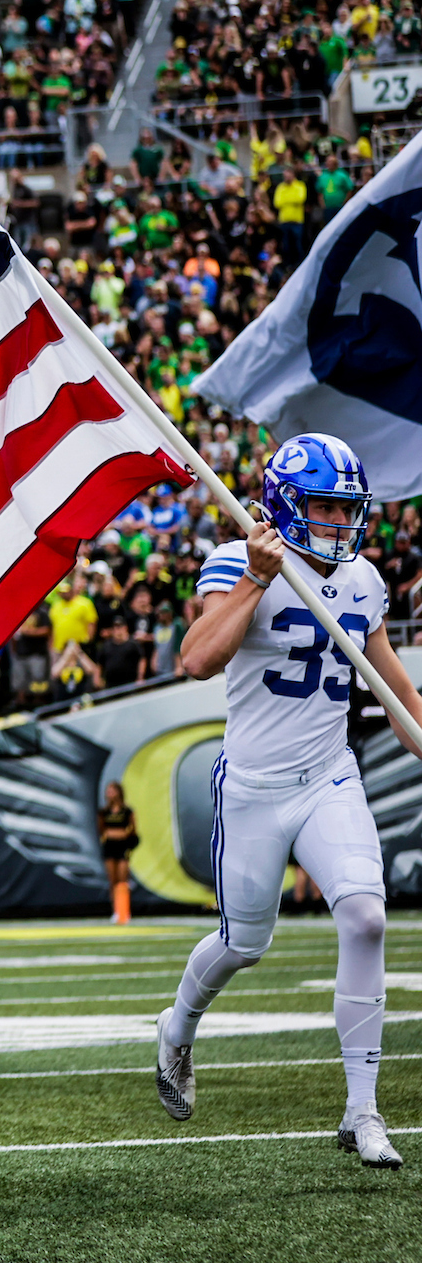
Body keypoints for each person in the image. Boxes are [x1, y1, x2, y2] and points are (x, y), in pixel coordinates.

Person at [161, 436, 416, 1171]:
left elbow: (389, 677)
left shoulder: (364, 579)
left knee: (367, 915)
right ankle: (177, 1028)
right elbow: (196, 659)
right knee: (244, 943)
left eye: (347, 508)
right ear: (284, 506)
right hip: (251, 786)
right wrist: (256, 580)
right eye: (325, 506)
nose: (340, 522)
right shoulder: (237, 560)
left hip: (328, 776)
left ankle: (362, 1110)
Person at [98, 781, 137, 924]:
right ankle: (115, 911)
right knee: (112, 880)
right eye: (108, 791)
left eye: (112, 790)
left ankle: (125, 911)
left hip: (122, 845)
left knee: (123, 879)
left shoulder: (127, 811)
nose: (110, 793)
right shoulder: (104, 812)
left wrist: (127, 840)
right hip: (110, 846)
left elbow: (133, 829)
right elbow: (101, 828)